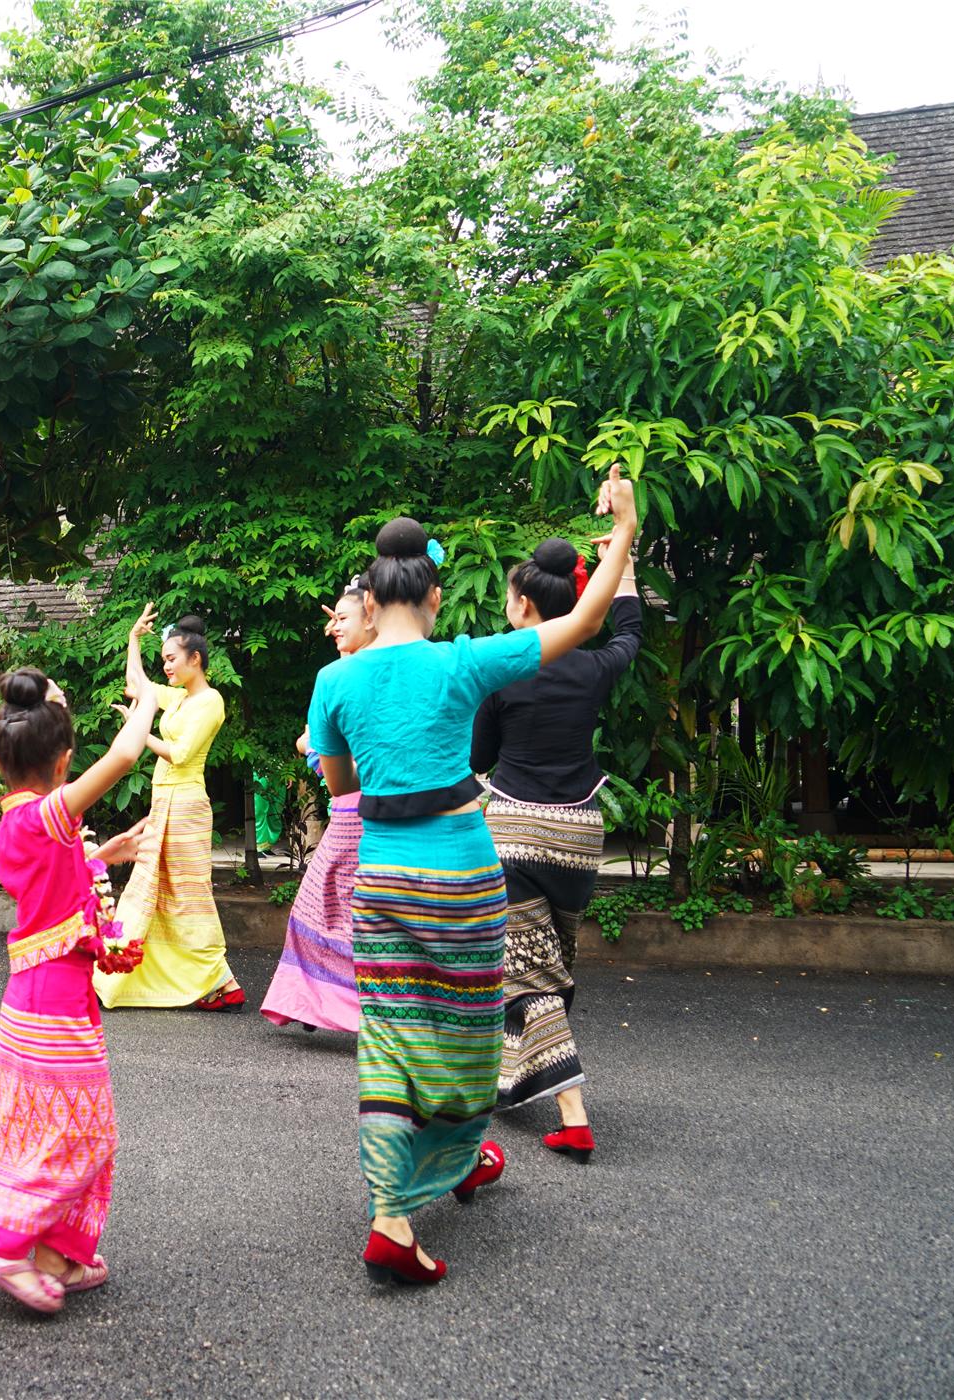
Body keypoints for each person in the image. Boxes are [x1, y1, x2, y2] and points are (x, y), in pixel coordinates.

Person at [308, 466, 637, 1286]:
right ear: (434, 595)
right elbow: (593, 618)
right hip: (461, 874)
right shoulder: (466, 662)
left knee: (387, 1038)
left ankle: (396, 1211)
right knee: (464, 1035)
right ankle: (454, 1157)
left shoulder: (334, 680)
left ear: (371, 599)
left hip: (381, 878)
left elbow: (342, 787)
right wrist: (626, 530)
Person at [0, 669, 156, 1314]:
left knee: (41, 1125)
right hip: (53, 1000)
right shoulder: (49, 815)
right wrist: (151, 699)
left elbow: (54, 887)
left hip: (38, 994)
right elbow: (127, 754)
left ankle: (54, 1256)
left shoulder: (22, 824)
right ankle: (4, 1244)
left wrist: (103, 857)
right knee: (81, 1130)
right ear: (66, 762)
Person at [473, 535, 643, 1159]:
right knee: (546, 961)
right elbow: (628, 630)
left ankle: (573, 1115)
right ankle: (502, 1075)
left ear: (521, 604)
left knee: (529, 971)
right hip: (580, 833)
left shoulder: (501, 669)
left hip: (514, 829)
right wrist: (622, 565)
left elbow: (478, 758)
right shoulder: (595, 665)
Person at [95, 608, 244, 1011]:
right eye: (163, 660)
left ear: (195, 659)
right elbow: (134, 688)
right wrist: (133, 640)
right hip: (165, 802)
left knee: (187, 894)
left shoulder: (211, 701)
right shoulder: (178, 697)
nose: (166, 666)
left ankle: (221, 980)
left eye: (172, 659)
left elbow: (179, 754)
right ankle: (127, 970)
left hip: (187, 806)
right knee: (153, 889)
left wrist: (139, 732)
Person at [262, 578, 375, 1034]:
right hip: (348, 810)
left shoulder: (373, 673)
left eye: (344, 619)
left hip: (362, 812)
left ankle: (329, 1001)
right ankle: (314, 1000)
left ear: (373, 616)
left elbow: (344, 751)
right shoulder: (347, 672)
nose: (334, 627)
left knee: (338, 913)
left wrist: (313, 746)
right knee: (320, 910)